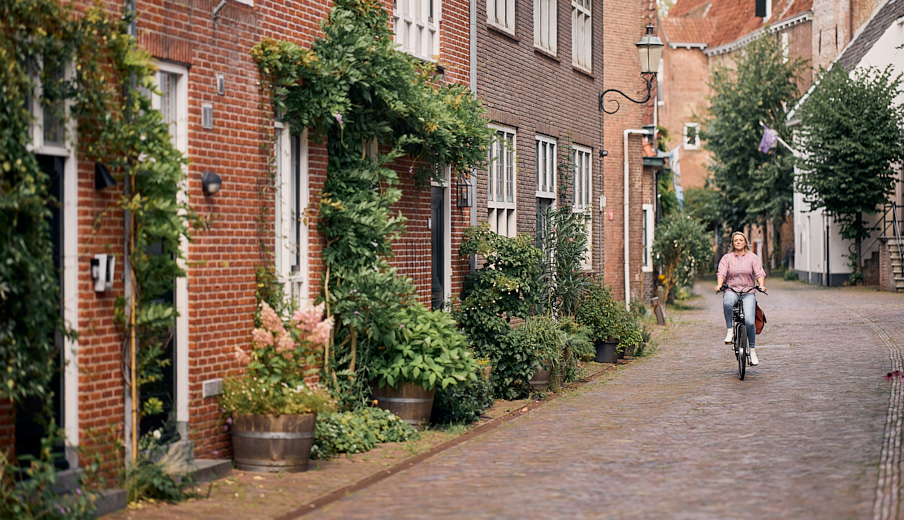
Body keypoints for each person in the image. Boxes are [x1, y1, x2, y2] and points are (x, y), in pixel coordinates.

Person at [714, 231, 766, 365]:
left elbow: (759, 273)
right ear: (732, 243)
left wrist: (761, 285)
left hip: (748, 291)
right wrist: (719, 285)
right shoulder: (727, 258)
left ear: (745, 242)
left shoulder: (752, 257)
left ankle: (753, 350)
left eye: (740, 240)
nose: (738, 242)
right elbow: (722, 273)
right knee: (727, 302)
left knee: (749, 322)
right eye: (735, 240)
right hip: (732, 290)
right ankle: (730, 331)